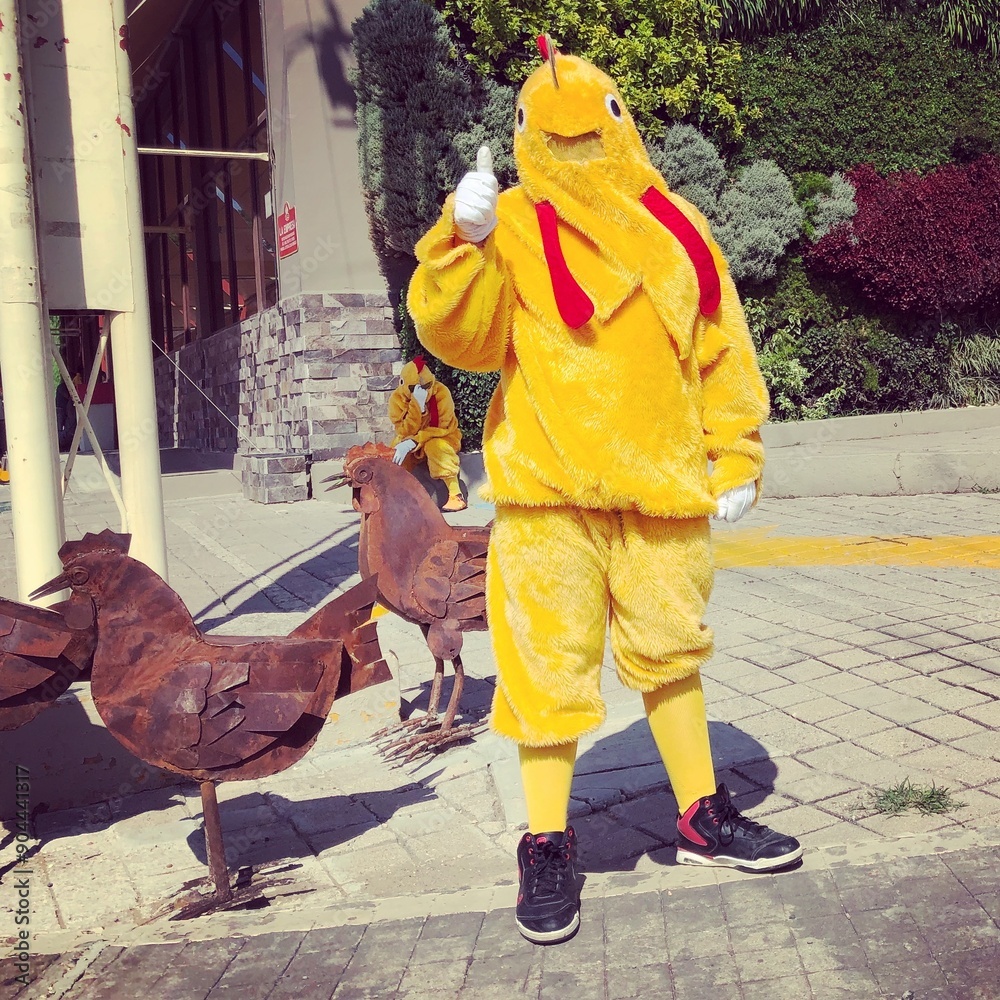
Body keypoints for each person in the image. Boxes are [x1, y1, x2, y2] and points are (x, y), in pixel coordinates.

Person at [407, 39, 801, 945]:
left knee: (673, 649)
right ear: (524, 137)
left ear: (622, 120)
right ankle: (545, 841)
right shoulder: (508, 222)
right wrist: (457, 248)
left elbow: (720, 349)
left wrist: (735, 454)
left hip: (661, 492)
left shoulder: (680, 228)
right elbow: (460, 338)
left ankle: (702, 812)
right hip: (548, 497)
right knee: (546, 670)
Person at [388, 355, 467, 511]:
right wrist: (417, 407)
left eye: (426, 386)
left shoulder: (441, 393)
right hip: (413, 438)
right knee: (396, 450)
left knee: (436, 446)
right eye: (414, 388)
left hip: (443, 436)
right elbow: (404, 431)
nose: (422, 392)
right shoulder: (397, 399)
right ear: (402, 384)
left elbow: (442, 428)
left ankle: (455, 494)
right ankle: (394, 493)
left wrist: (415, 441)